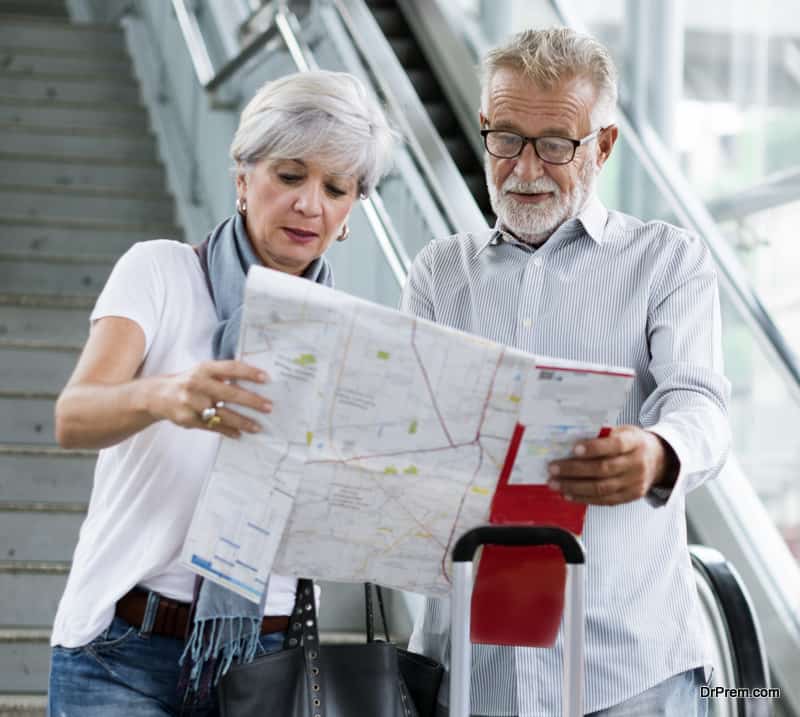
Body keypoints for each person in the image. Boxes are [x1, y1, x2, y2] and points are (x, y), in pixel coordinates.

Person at [402, 27, 729, 717]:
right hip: (479, 667)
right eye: (506, 138)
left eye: (555, 145)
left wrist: (658, 451)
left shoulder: (667, 261)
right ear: (484, 125)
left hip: (630, 669)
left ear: (602, 145)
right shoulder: (439, 273)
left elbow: (700, 403)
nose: (524, 168)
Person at [48, 70, 394, 716]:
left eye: (335, 187)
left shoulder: (350, 335)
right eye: (290, 175)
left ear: (350, 212)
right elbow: (74, 415)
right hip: (120, 651)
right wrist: (163, 395)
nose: (309, 204)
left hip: (263, 661)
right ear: (243, 178)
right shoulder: (160, 272)